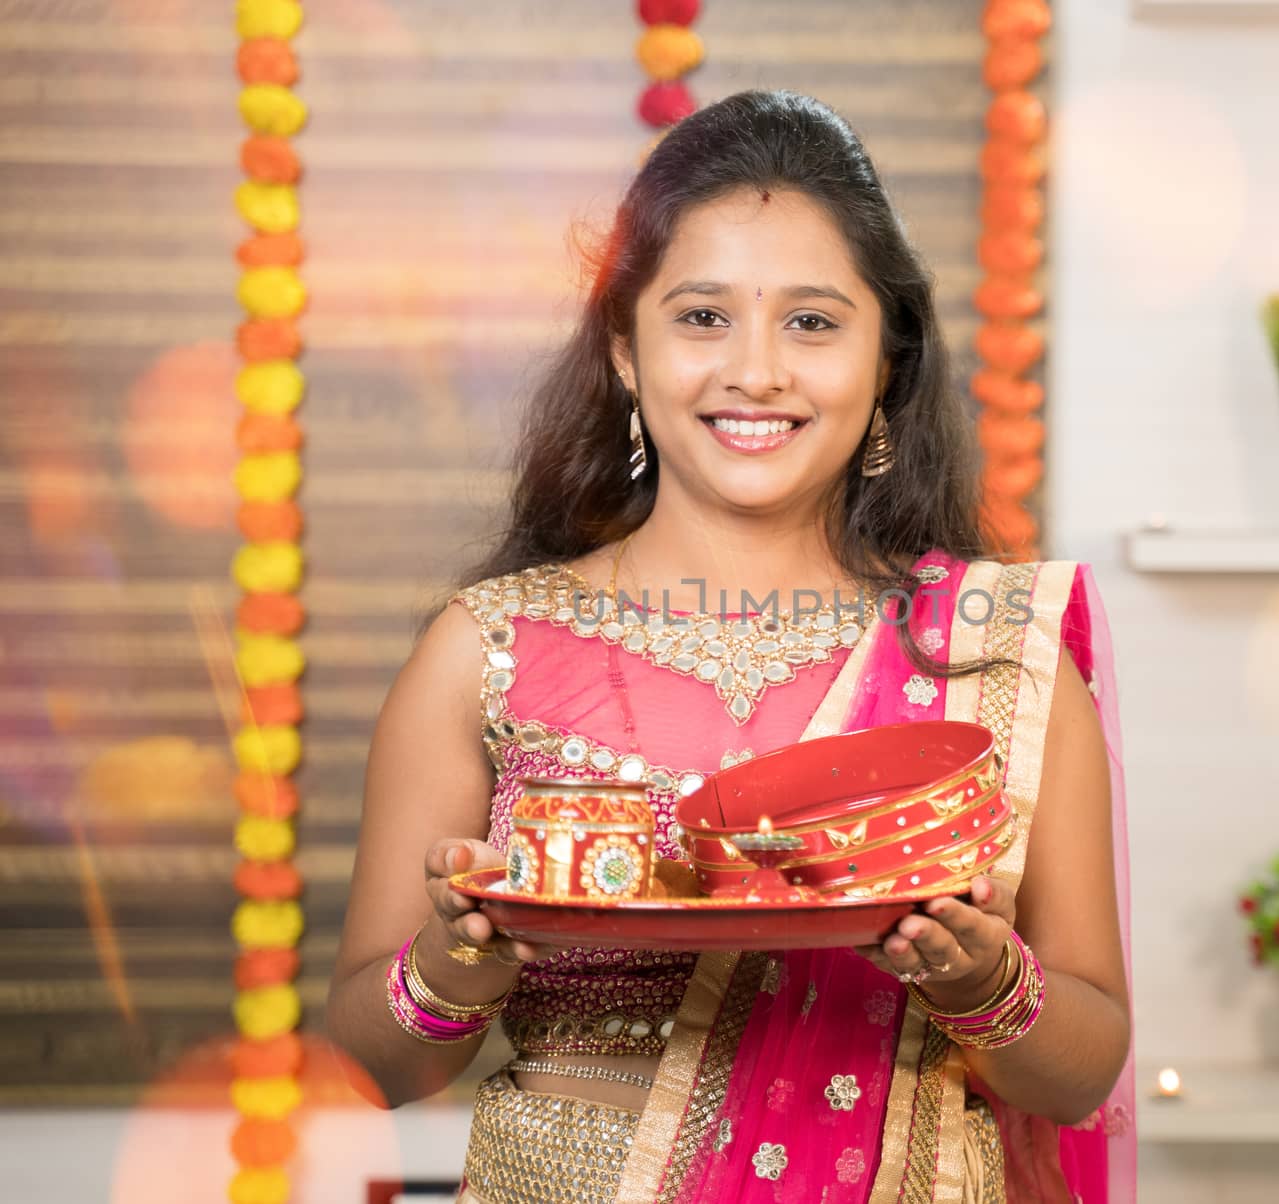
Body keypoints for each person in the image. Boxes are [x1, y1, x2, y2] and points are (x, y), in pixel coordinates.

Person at [326, 88, 1134, 1203]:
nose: (756, 370)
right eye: (702, 316)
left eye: (812, 321)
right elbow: (374, 1065)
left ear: (888, 358)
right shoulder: (483, 650)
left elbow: (1083, 1072)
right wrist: (460, 959)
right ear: (624, 347)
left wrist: (983, 980)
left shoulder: (993, 654)